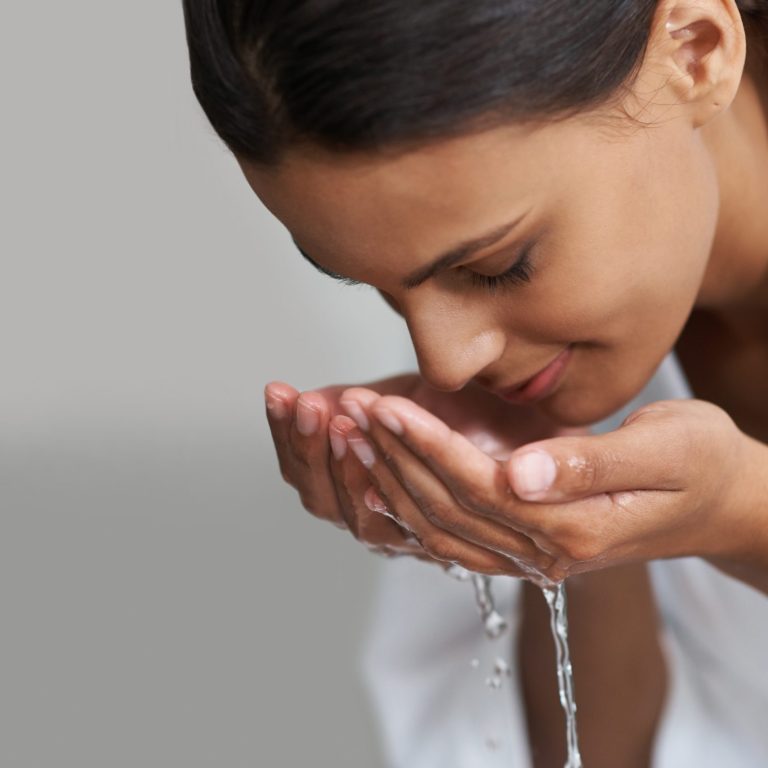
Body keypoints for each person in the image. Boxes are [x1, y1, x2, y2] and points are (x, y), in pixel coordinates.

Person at [181, 1, 768, 765]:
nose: (446, 363)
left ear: (696, 52)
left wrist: (743, 515)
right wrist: (559, 538)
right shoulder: (555, 375)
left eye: (497, 265)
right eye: (377, 287)